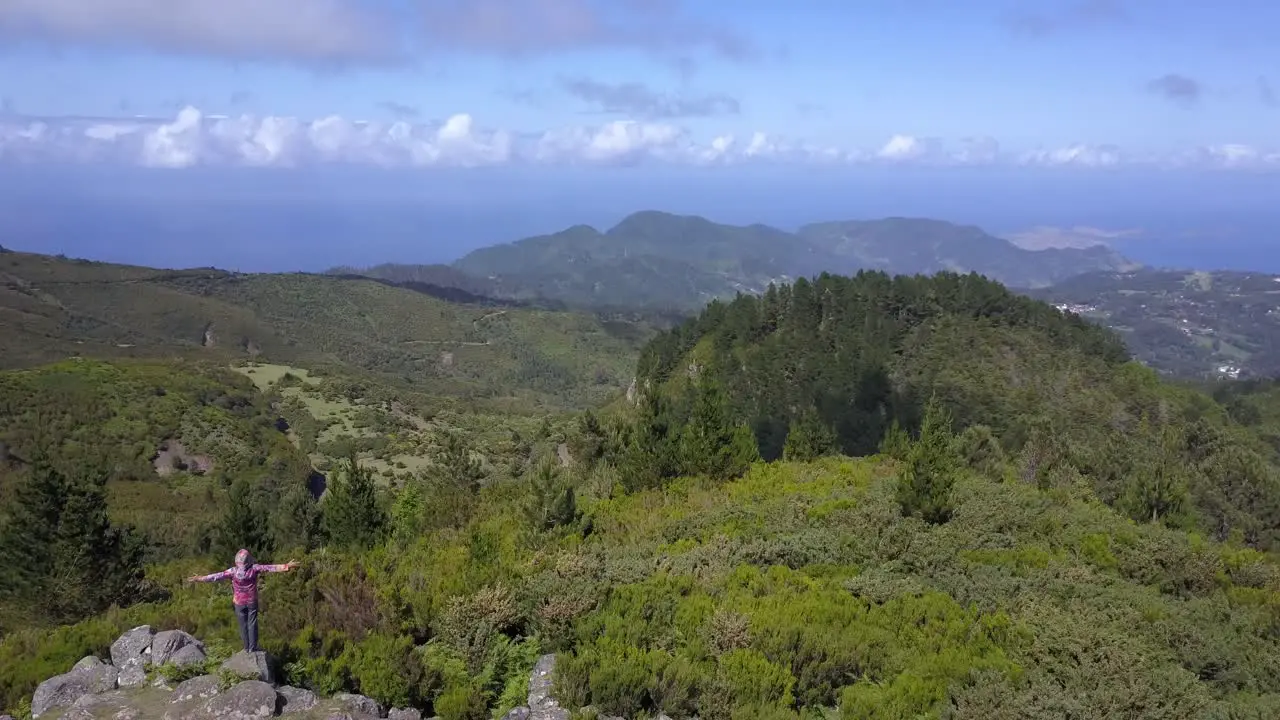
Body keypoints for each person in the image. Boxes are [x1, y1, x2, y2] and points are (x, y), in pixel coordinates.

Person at [186, 549, 300, 653]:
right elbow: (270, 568)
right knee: (252, 623)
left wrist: (199, 578)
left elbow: (216, 576)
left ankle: (246, 648)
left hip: (239, 603)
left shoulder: (233, 571)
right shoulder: (254, 569)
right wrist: (287, 566)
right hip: (251, 601)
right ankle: (253, 647)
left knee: (243, 625)